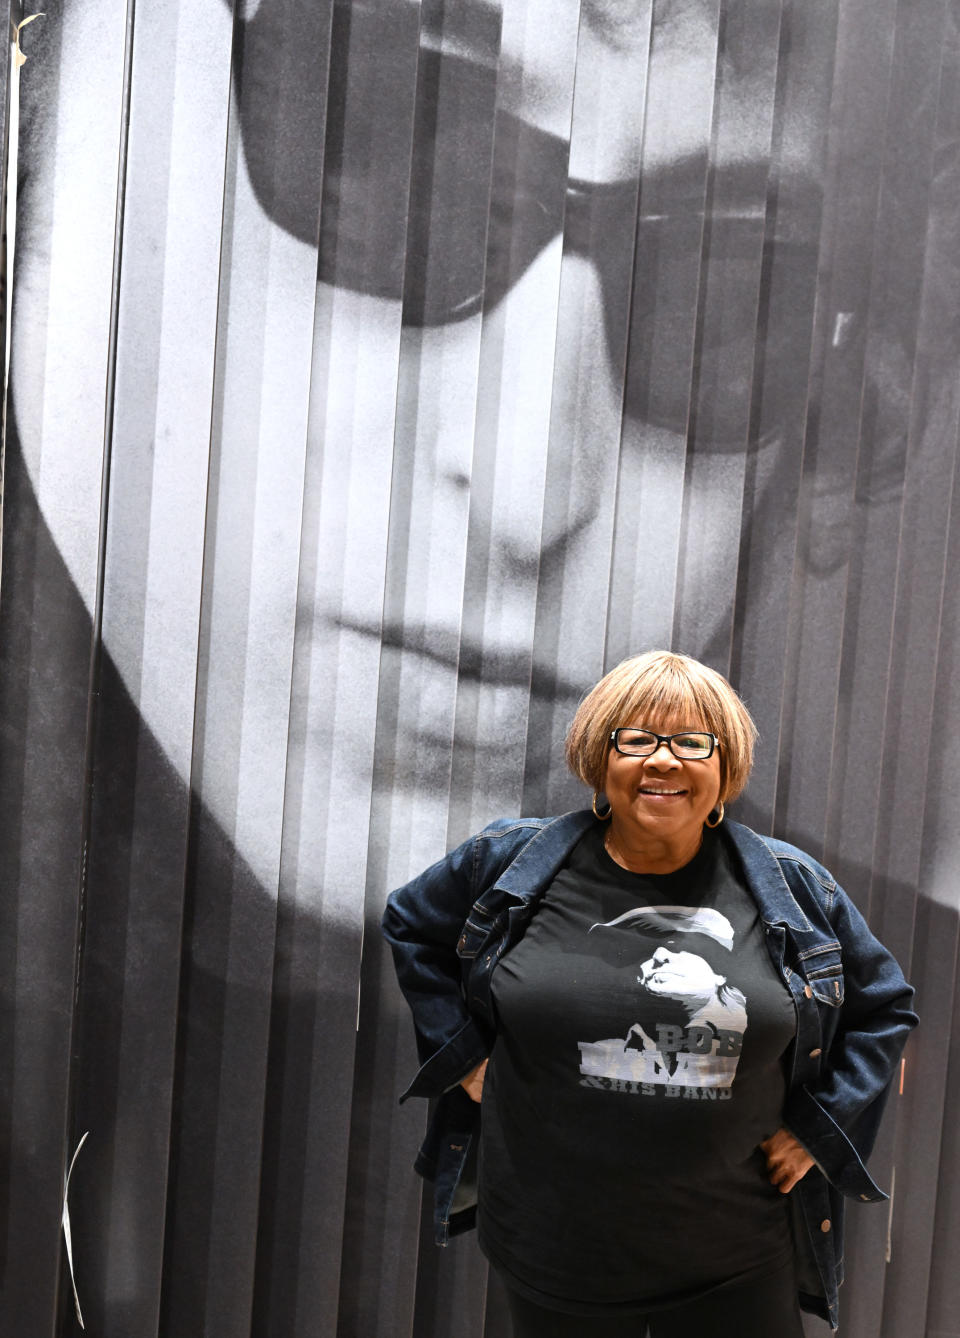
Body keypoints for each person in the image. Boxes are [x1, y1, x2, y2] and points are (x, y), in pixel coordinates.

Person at [382, 650, 918, 1336]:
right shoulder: (512, 864)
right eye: (635, 739)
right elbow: (411, 925)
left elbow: (883, 1006)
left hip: (737, 1260)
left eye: (694, 742)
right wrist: (461, 1056)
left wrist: (822, 1130)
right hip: (553, 1254)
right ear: (598, 756)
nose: (663, 761)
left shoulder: (792, 888)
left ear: (725, 766)